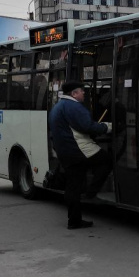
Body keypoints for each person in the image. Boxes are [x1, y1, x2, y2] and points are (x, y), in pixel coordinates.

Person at [48, 81, 112, 229]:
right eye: (82, 91)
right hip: (78, 150)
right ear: (74, 94)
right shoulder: (74, 107)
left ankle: (74, 220)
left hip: (65, 152)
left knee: (73, 185)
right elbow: (87, 126)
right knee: (106, 161)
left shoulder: (57, 107)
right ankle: (91, 194)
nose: (84, 93)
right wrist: (107, 127)